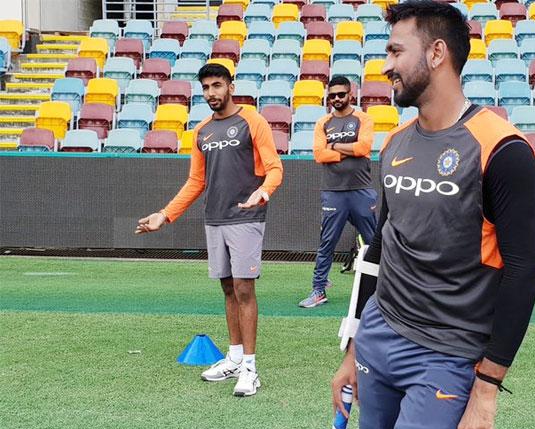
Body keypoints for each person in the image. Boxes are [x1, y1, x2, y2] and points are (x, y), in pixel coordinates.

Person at [330, 2, 535, 429]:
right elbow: (380, 251)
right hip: (380, 336)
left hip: (448, 354)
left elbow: (524, 272)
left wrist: (486, 386)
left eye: (395, 50)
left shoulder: (501, 149)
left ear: (437, 54)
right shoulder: (396, 143)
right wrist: (352, 346)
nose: (385, 65)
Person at [136, 63, 283, 397]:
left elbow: (274, 168)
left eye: (217, 85)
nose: (211, 93)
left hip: (246, 217)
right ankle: (232, 358)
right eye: (206, 87)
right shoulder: (201, 131)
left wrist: (264, 191)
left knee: (245, 289)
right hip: (215, 219)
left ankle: (250, 368)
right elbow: (196, 181)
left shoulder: (252, 121)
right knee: (228, 288)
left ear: (231, 86)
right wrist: (165, 215)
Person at [298, 76, 377, 308]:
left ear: (350, 94)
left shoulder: (363, 118)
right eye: (332, 95)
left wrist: (333, 146)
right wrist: (347, 150)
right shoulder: (323, 122)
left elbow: (364, 147)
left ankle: (384, 289)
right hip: (333, 192)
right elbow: (319, 155)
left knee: (374, 242)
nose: (336, 99)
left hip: (361, 190)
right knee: (327, 242)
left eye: (341, 94)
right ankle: (318, 289)